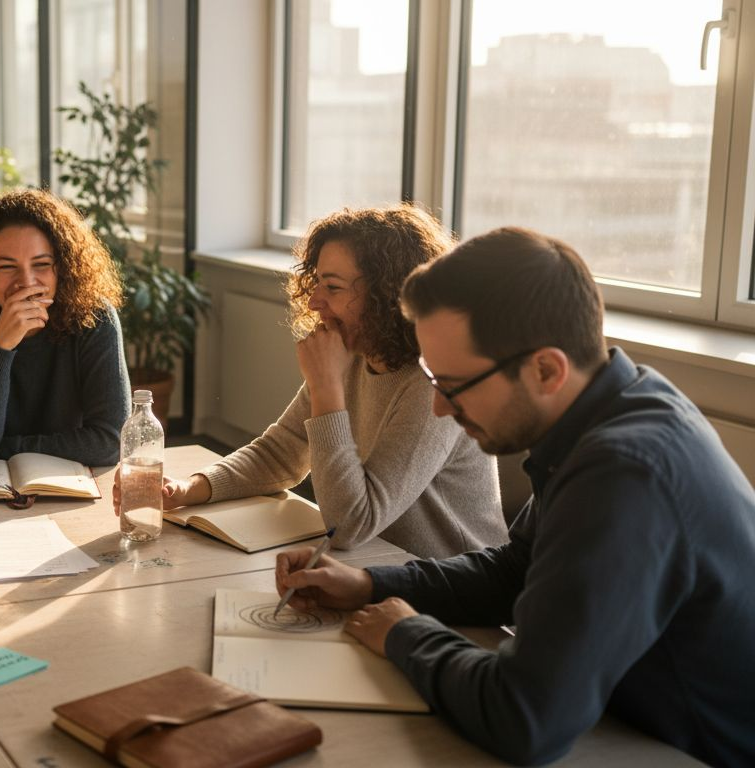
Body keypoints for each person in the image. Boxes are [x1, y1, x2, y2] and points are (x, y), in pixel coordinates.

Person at [275, 227, 755, 766]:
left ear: (547, 369)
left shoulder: (624, 475)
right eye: (432, 379)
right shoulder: (618, 401)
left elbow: (526, 718)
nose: (439, 409)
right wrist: (368, 583)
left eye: (453, 385)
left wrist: (407, 634)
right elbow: (516, 569)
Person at [129, 205, 506, 559]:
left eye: (333, 287)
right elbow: (281, 452)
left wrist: (326, 388)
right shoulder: (352, 355)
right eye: (317, 283)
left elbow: (350, 524)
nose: (313, 302)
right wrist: (186, 488)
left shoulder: (429, 384)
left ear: (386, 296)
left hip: (449, 592)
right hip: (377, 565)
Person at [0, 188, 130, 468]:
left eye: (42, 264)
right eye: (7, 267)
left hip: (72, 486)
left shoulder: (94, 319)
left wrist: (5, 449)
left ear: (64, 268)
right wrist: (0, 346)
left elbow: (111, 441)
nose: (26, 281)